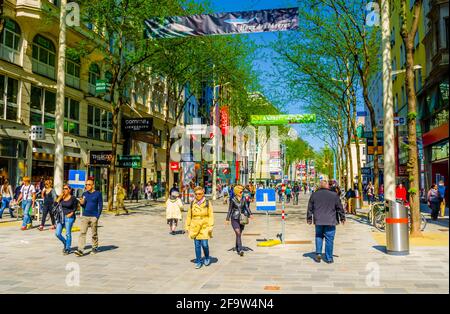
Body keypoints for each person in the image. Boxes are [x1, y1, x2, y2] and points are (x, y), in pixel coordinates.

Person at [307, 180, 346, 264]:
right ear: (327, 186)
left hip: (318, 220)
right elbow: (339, 207)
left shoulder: (314, 195)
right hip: (330, 220)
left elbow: (310, 208)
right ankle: (329, 258)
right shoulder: (334, 195)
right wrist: (342, 218)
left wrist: (309, 218)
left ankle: (318, 253)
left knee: (319, 236)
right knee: (329, 239)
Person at [185, 186, 214, 269]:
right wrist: (187, 226)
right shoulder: (192, 203)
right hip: (195, 226)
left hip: (205, 226)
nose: (198, 195)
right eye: (196, 194)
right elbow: (189, 216)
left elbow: (211, 215)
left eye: (200, 194)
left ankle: (207, 257)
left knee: (205, 244)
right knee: (197, 245)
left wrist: (211, 225)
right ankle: (198, 261)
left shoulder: (207, 203)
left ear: (203, 194)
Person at [75, 179, 103, 257]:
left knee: (94, 233)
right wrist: (81, 203)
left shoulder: (98, 194)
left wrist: (97, 216)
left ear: (92, 185)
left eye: (88, 184)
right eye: (86, 185)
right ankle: (80, 249)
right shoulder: (84, 194)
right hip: (85, 216)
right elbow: (83, 205)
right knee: (82, 233)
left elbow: (100, 205)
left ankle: (94, 247)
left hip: (94, 216)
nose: (87, 186)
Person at [226, 185, 253, 256]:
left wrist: (250, 214)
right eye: (241, 191)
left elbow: (246, 207)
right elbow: (230, 210)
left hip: (242, 219)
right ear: (237, 192)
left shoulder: (244, 199)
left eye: (242, 191)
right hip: (234, 218)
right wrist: (227, 219)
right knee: (238, 233)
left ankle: (237, 246)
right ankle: (240, 249)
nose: (242, 193)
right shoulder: (232, 199)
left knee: (239, 234)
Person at [54, 184, 78, 255]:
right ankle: (65, 243)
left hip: (69, 217)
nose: (64, 190)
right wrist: (60, 196)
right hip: (60, 217)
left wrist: (72, 213)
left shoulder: (73, 198)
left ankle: (67, 248)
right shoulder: (61, 197)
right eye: (63, 188)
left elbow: (75, 207)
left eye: (66, 188)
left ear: (69, 190)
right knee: (57, 233)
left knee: (68, 233)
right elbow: (55, 204)